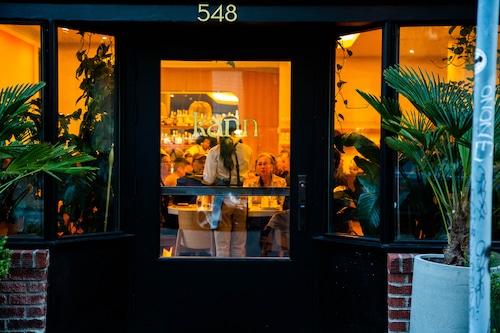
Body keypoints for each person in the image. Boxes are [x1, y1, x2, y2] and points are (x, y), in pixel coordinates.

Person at [203, 116, 253, 257]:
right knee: (239, 244)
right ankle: (238, 275)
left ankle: (223, 275)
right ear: (238, 130)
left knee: (222, 244)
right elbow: (247, 171)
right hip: (240, 198)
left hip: (222, 197)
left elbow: (208, 179)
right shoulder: (247, 150)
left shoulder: (214, 151)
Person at [245, 152, 287, 255]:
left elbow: (280, 204)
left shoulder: (280, 182)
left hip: (274, 217)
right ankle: (257, 252)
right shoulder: (250, 183)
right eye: (259, 164)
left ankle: (266, 251)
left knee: (269, 222)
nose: (262, 167)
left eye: (265, 164)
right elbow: (250, 203)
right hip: (255, 217)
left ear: (272, 166)